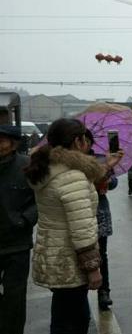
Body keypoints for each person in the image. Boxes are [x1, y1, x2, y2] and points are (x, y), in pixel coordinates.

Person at [24, 118, 121, 334]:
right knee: (74, 321)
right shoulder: (72, 176)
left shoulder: (48, 167)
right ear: (78, 142)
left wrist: (106, 167)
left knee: (62, 315)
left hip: (52, 255)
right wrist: (93, 268)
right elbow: (81, 228)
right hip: (69, 260)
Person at [0, 125, 37, 334]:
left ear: (13, 144)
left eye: (2, 140)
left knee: (15, 298)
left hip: (17, 244)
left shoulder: (27, 166)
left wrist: (25, 219)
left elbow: (40, 199)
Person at [84, 130, 122, 311]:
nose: (82, 144)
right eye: (79, 140)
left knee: (101, 254)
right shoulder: (67, 163)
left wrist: (106, 178)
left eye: (86, 140)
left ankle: (104, 291)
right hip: (79, 214)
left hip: (99, 211)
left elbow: (114, 183)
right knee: (80, 254)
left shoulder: (101, 159)